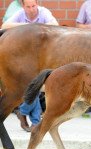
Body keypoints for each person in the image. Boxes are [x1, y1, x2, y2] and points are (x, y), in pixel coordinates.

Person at [1, 0, 59, 132]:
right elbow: (5, 25)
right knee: (30, 85)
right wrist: (27, 26)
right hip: (25, 56)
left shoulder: (44, 12)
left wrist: (34, 27)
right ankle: (34, 120)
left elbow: (55, 24)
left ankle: (24, 112)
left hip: (43, 56)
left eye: (34, 6)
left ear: (37, 4)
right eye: (28, 6)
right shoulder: (20, 13)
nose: (32, 9)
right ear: (23, 6)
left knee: (34, 87)